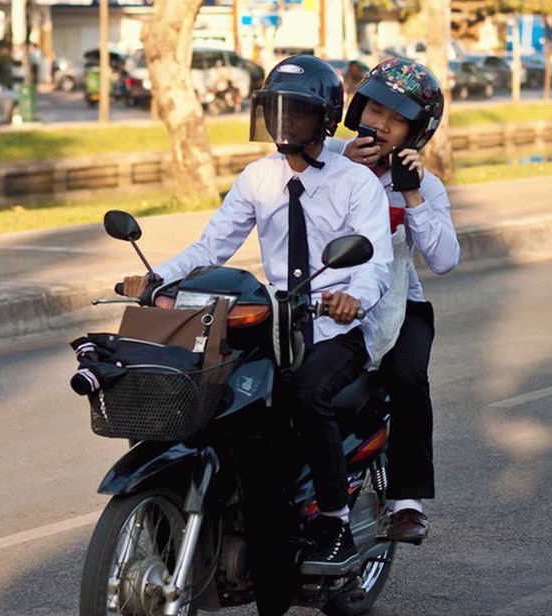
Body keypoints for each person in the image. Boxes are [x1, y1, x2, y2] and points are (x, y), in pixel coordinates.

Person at [121, 55, 392, 574]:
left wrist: (353, 296)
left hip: (339, 327)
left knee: (306, 390)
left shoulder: (356, 182)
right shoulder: (257, 177)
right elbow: (211, 247)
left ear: (326, 118)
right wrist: (157, 278)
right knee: (217, 389)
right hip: (276, 322)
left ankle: (334, 521)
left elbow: (375, 262)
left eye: (299, 113)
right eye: (276, 111)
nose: (285, 123)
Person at [327, 57, 460, 544]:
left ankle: (406, 498)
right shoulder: (330, 161)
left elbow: (445, 259)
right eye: (375, 110)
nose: (381, 125)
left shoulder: (424, 185)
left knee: (407, 375)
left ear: (415, 132)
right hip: (329, 301)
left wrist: (414, 196)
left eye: (396, 118)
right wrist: (343, 175)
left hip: (400, 306)